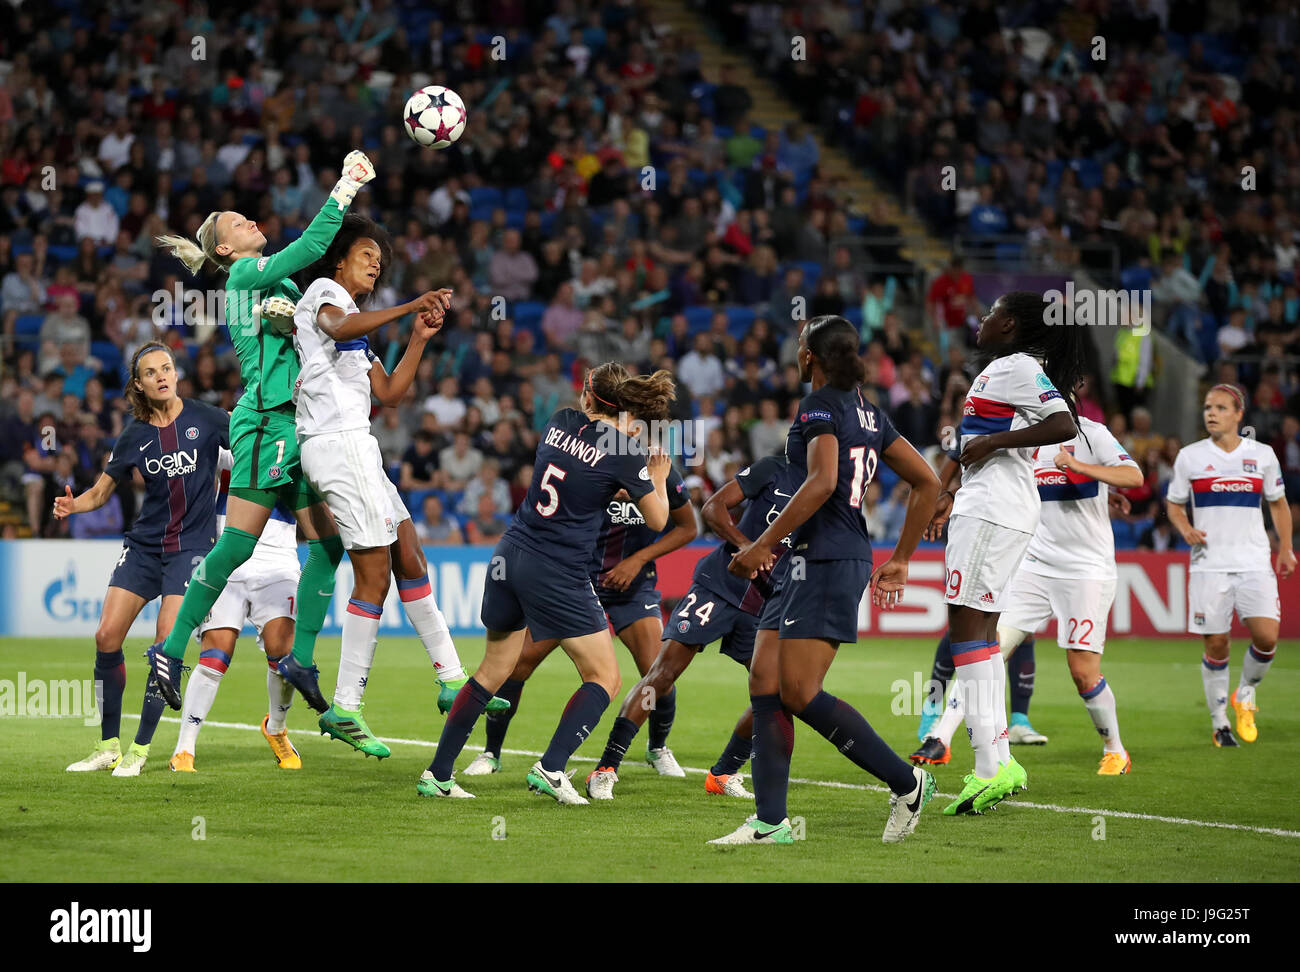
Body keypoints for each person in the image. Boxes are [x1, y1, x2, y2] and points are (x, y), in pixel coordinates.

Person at [148, 149, 382, 713]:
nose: (250, 221)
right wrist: (345, 187)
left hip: (295, 425)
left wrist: (291, 317)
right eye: (237, 223)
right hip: (265, 421)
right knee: (239, 542)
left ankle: (299, 658)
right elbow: (309, 248)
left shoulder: (261, 284)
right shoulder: (246, 273)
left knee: (328, 546)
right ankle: (172, 648)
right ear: (225, 250)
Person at [710, 315, 942, 845]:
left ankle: (908, 783)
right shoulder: (868, 411)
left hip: (828, 560)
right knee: (765, 682)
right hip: (812, 559)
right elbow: (926, 481)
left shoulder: (819, 406)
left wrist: (759, 545)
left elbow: (822, 482)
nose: (795, 352)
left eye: (798, 345)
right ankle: (771, 823)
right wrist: (901, 556)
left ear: (811, 356)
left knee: (799, 690)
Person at [290, 213, 506, 759]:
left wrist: (417, 337)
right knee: (374, 570)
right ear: (340, 258)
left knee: (410, 553)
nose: (374, 262)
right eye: (366, 254)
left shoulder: (361, 321)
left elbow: (389, 393)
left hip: (360, 445)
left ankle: (452, 678)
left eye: (379, 260)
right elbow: (336, 328)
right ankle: (346, 705)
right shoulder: (323, 294)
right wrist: (410, 304)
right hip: (336, 444)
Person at [419, 363, 675, 802]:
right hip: (557, 569)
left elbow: (580, 475)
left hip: (509, 555)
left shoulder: (560, 422)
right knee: (605, 677)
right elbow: (657, 519)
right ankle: (552, 768)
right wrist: (659, 480)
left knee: (492, 671)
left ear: (588, 399)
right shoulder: (625, 452)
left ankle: (439, 774)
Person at [924, 291, 1086, 815]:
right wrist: (947, 490)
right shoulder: (997, 369)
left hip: (996, 510)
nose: (981, 319)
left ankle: (991, 765)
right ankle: (996, 761)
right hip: (986, 506)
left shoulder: (1017, 366)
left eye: (991, 312)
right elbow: (968, 441)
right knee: (981, 634)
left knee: (966, 631)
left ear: (1010, 324)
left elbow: (1064, 425)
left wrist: (995, 445)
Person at [915, 415, 1142, 775]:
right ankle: (941, 738)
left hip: (1086, 570)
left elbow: (1134, 476)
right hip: (1033, 565)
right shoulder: (1024, 437)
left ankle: (1115, 749)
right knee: (987, 648)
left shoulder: (1091, 434)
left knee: (1082, 672)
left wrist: (1081, 468)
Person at [584, 454, 801, 801]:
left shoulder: (829, 493)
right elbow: (713, 509)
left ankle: (723, 773)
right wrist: (748, 546)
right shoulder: (775, 469)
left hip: (767, 602)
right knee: (663, 673)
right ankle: (606, 768)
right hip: (721, 585)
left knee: (778, 693)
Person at [464, 461, 695, 780]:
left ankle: (657, 747)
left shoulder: (661, 470)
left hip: (633, 587)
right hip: (577, 582)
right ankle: (491, 752)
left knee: (659, 670)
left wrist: (639, 559)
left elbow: (689, 528)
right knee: (519, 663)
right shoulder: (593, 464)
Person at [61, 345, 229, 777]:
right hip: (143, 548)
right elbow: (101, 492)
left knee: (163, 647)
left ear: (176, 372)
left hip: (190, 550)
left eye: (167, 368)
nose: (161, 376)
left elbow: (249, 449)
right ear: (138, 383)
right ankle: (107, 745)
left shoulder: (208, 419)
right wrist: (72, 506)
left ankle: (140, 749)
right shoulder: (134, 435)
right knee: (105, 636)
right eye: (151, 372)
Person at [1165, 384, 1294, 747]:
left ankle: (1246, 692)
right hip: (1209, 565)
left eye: (1221, 407)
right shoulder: (1190, 457)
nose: (1211, 413)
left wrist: (1285, 548)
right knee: (1217, 644)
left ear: (1239, 414)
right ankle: (1220, 722)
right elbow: (1173, 504)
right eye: (1208, 407)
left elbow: (1279, 504)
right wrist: (1185, 527)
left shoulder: (1263, 455)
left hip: (1254, 560)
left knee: (1267, 638)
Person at [170, 454, 302, 772]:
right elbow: (193, 462)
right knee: (215, 656)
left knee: (283, 658)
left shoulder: (300, 435)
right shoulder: (230, 431)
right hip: (226, 550)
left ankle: (276, 728)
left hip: (278, 558)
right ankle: (184, 748)